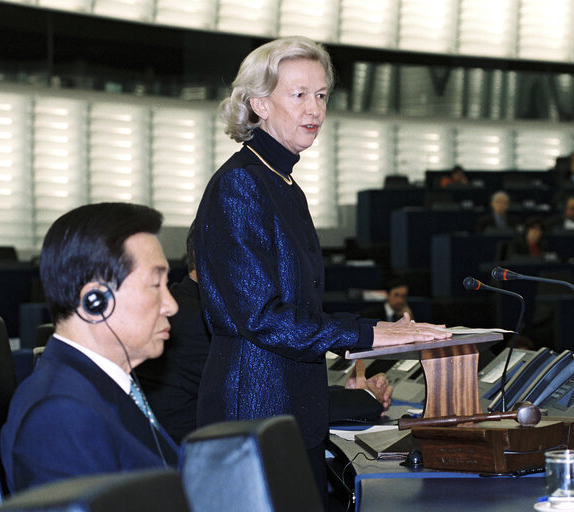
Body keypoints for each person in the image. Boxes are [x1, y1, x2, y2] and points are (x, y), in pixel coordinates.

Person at [191, 36, 450, 506]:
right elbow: (263, 318)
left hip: (293, 409)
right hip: (254, 411)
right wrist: (368, 332)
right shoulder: (240, 185)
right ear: (259, 104)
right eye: (299, 94)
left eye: (322, 95)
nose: (315, 109)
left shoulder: (283, 183)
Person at [137, 226, 393, 444]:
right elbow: (272, 402)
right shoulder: (198, 323)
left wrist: (347, 393)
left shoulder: (193, 306)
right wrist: (366, 398)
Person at [0, 203, 180, 492]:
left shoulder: (103, 386)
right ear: (96, 302)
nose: (171, 306)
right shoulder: (61, 416)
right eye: (155, 285)